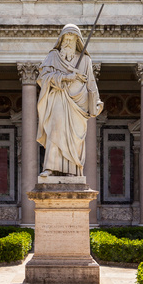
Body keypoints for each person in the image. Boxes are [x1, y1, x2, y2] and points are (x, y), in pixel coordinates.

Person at [36, 24, 103, 177]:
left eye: (71, 40)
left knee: (75, 138)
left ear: (77, 42)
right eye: (65, 39)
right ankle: (50, 168)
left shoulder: (85, 60)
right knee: (55, 131)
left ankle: (72, 170)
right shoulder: (53, 57)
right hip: (59, 100)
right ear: (61, 40)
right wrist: (66, 77)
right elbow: (43, 78)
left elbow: (91, 83)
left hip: (79, 104)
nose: (68, 43)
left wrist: (96, 101)